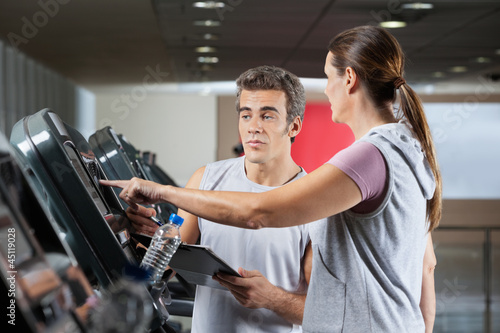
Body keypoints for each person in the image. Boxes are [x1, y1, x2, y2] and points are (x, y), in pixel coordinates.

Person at [103, 25, 440, 332]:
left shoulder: (369, 156)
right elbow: (427, 266)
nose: (254, 126)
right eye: (246, 115)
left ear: (349, 78)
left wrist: (162, 192)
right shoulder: (409, 153)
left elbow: (258, 213)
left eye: (327, 77)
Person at [126, 65, 318, 332]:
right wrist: (147, 237)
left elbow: (323, 311)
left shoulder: (314, 202)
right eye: (246, 115)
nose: (253, 127)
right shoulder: (206, 180)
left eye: (267, 116)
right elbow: (168, 264)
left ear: (294, 126)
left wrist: (271, 298)